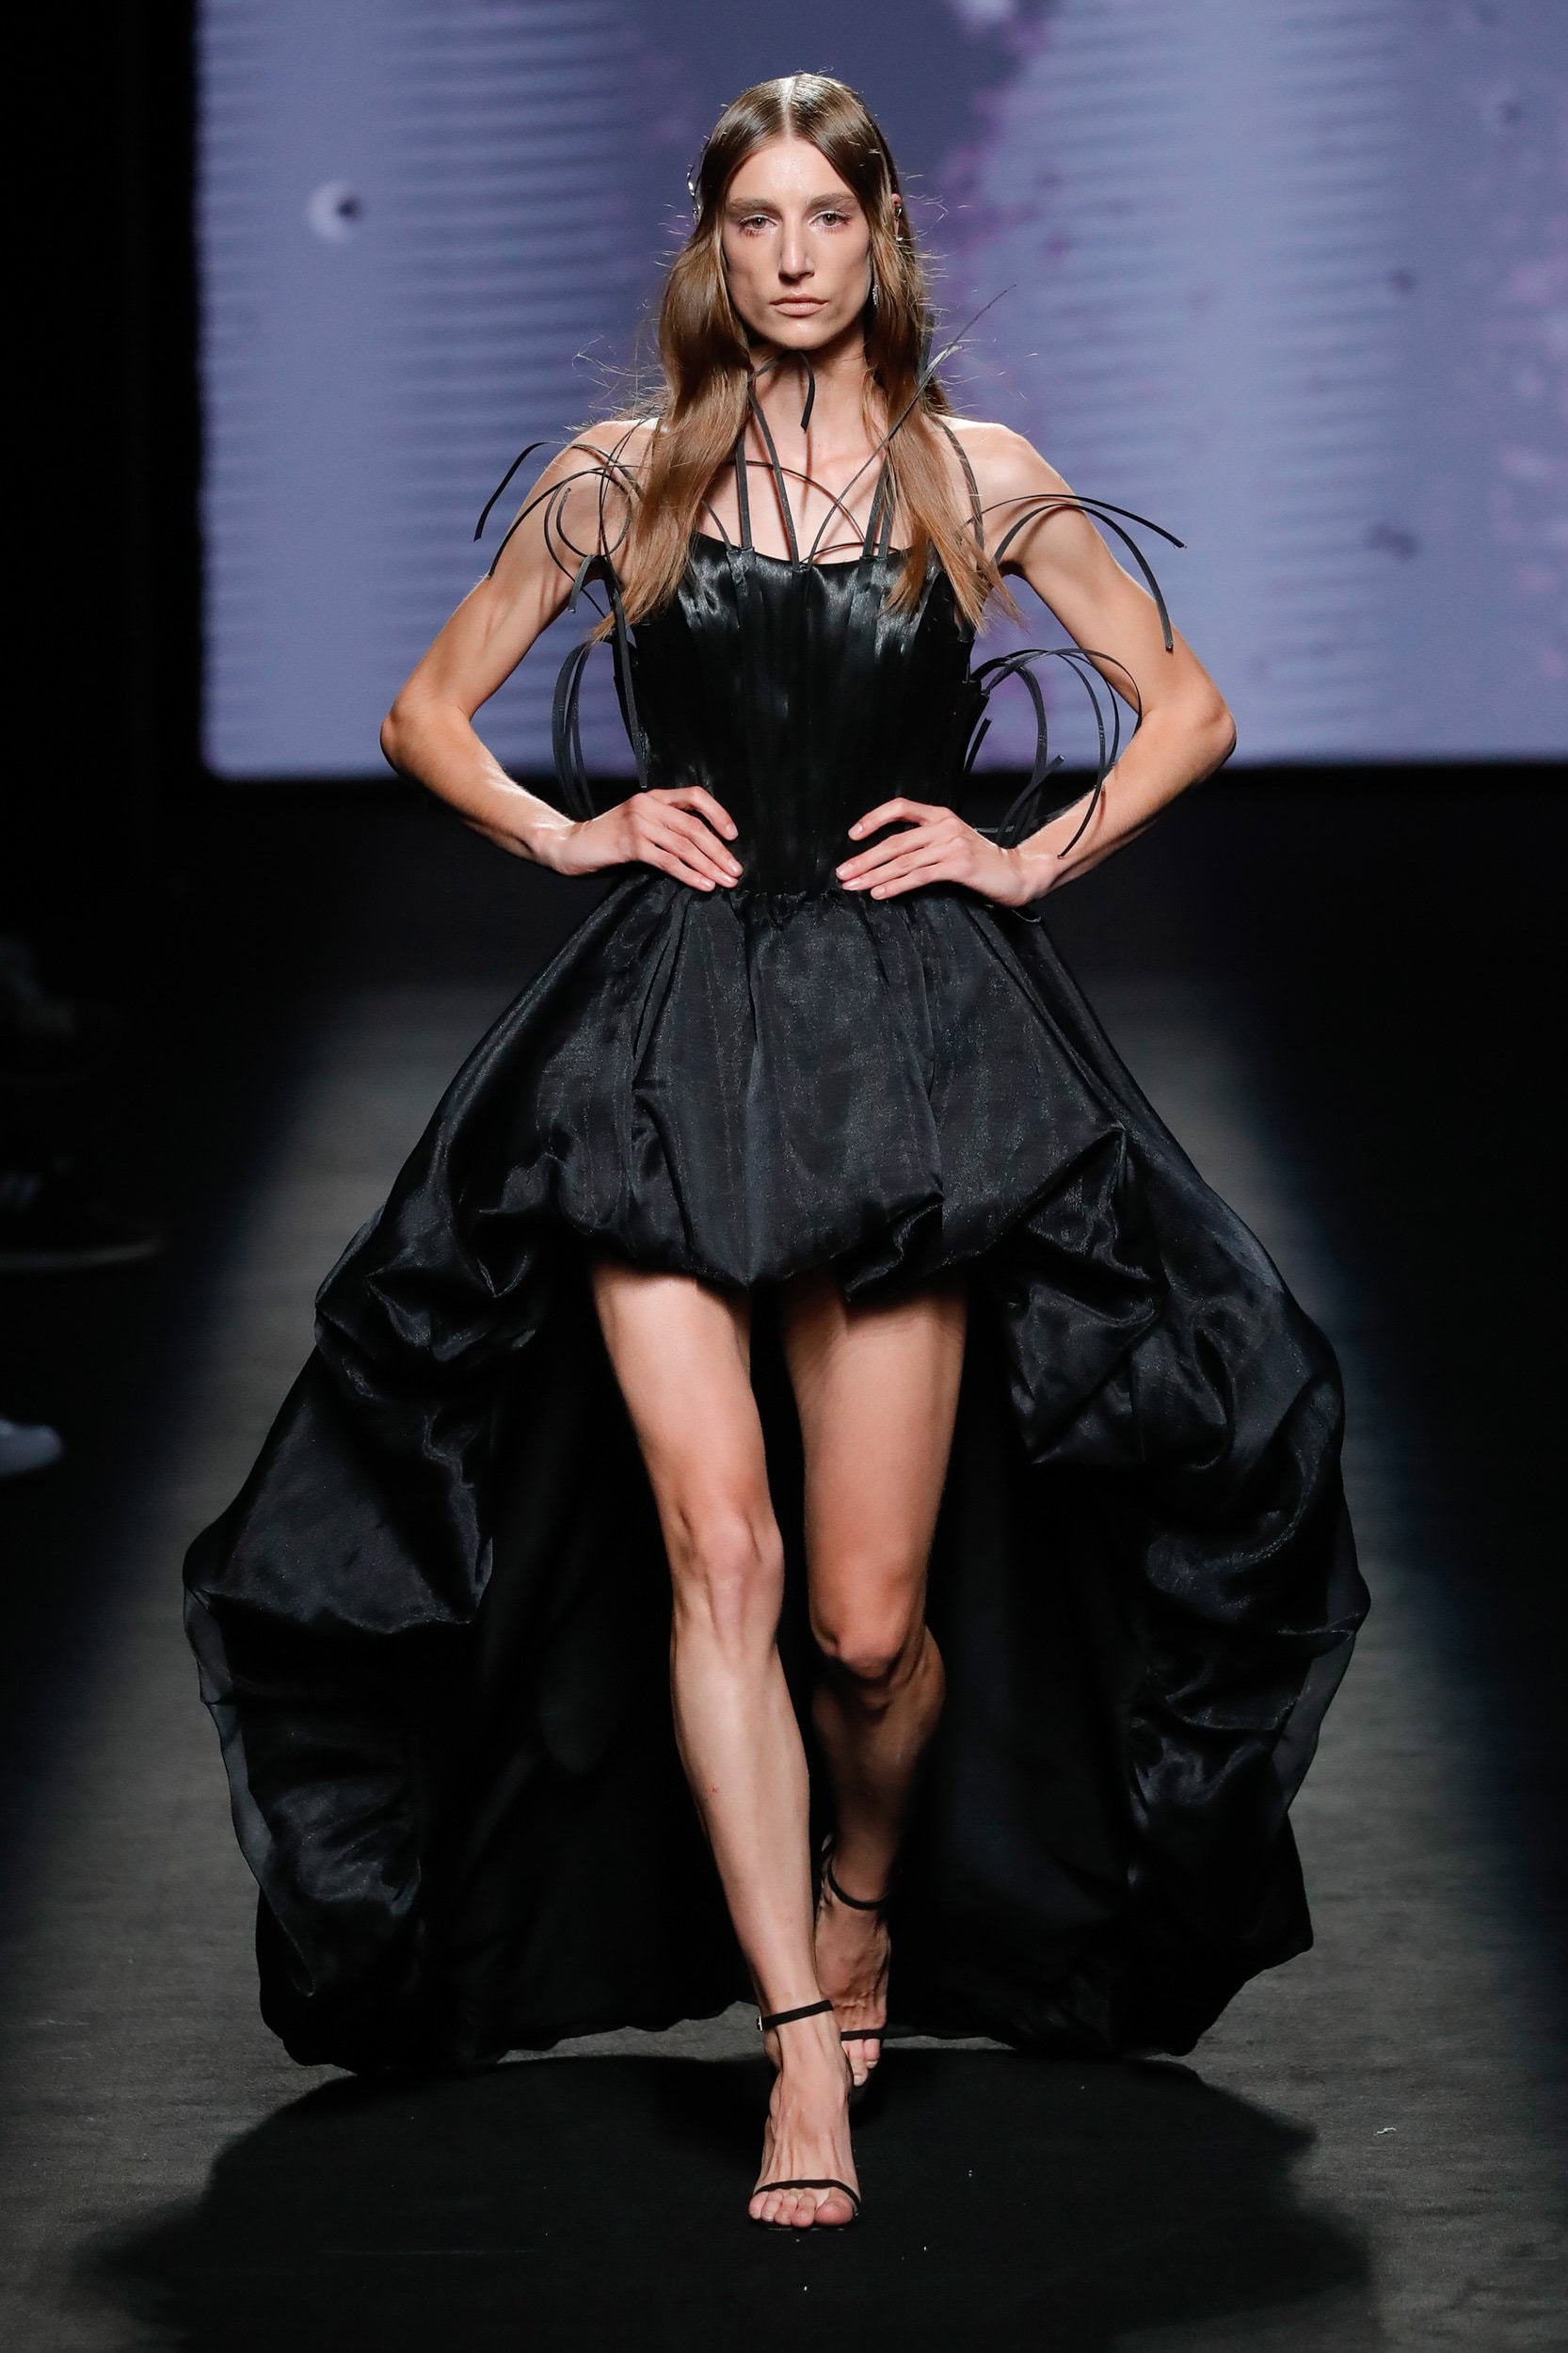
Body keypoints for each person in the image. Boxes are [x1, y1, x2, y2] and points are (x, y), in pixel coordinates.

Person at [185, 74, 1368, 2233]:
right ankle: (798, 2044)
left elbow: (1186, 706)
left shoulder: (974, 475)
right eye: (757, 219)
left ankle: (859, 1887)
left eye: (828, 215)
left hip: (906, 1050)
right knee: (714, 1554)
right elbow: (424, 709)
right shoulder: (621, 477)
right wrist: (566, 830)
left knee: (861, 1622)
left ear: (878, 236)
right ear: (711, 246)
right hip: (658, 1045)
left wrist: (1027, 859)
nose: (794, 254)